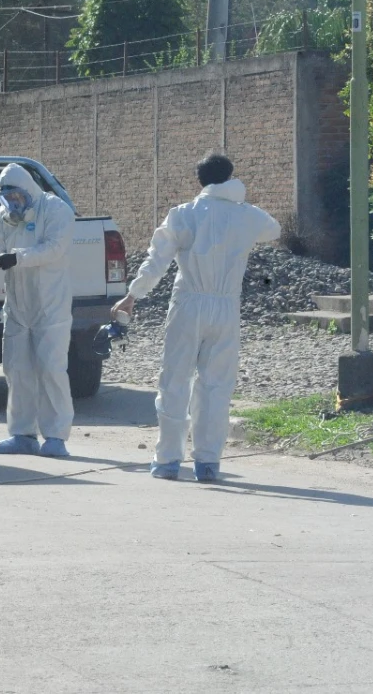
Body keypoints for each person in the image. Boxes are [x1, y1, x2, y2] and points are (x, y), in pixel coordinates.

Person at [112, 153, 280, 481]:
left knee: (175, 380)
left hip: (188, 302)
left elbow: (156, 260)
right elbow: (273, 230)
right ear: (230, 177)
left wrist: (133, 295)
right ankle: (207, 462)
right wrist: (240, 203)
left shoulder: (184, 215)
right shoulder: (248, 216)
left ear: (200, 181)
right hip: (226, 306)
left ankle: (168, 461)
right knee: (216, 386)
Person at [0, 163, 75, 457]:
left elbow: (54, 249)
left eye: (17, 196)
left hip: (50, 305)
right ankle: (22, 434)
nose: (13, 203)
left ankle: (56, 436)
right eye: (7, 197)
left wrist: (17, 257)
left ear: (28, 190)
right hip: (17, 305)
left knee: (51, 368)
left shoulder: (55, 210)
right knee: (16, 369)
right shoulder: (4, 216)